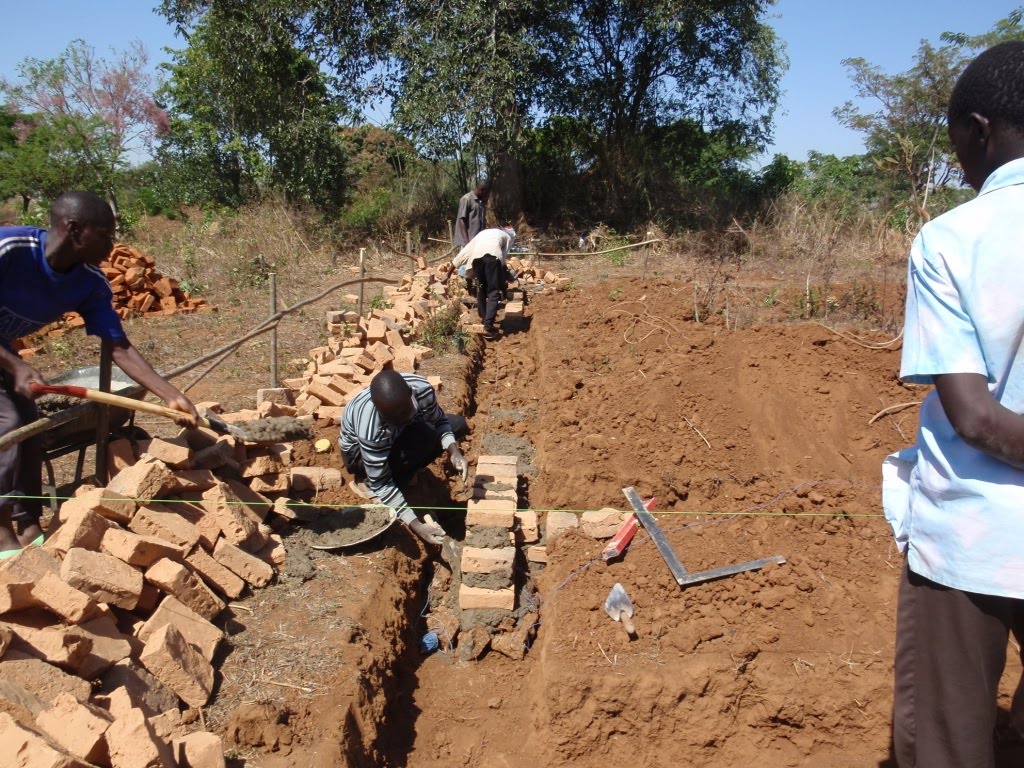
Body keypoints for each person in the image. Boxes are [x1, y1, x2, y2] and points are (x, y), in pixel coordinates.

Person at [881, 41, 1024, 767]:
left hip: (974, 539)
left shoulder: (952, 240)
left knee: (947, 736)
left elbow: (975, 418)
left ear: (979, 129)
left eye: (956, 142)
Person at [0, 191, 199, 557]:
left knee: (30, 427)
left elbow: (118, 345)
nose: (112, 244)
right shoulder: (11, 248)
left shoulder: (88, 280)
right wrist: (16, 365)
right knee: (8, 425)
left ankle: (27, 521)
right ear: (74, 229)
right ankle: (0, 532)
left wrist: (170, 395)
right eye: (105, 234)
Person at [339, 370, 468, 546]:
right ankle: (366, 480)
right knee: (420, 444)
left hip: (397, 435)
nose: (402, 419)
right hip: (358, 455)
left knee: (457, 425)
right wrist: (416, 525)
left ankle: (406, 469)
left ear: (410, 393)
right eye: (393, 418)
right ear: (379, 411)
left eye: (406, 411)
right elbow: (382, 484)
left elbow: (439, 421)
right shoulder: (371, 430)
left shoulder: (422, 389)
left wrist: (454, 452)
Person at [442, 227, 515, 339]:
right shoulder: (506, 236)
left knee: (480, 290)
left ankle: (485, 320)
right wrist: (507, 276)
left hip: (476, 261)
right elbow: (502, 258)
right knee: (493, 292)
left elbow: (462, 255)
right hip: (493, 258)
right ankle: (488, 328)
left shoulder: (480, 236)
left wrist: (448, 275)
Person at [453, 181, 490, 248]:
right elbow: (462, 220)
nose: (485, 195)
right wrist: (467, 242)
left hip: (477, 240)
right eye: (485, 192)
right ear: (482, 190)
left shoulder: (480, 201)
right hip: (467, 242)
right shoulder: (467, 199)